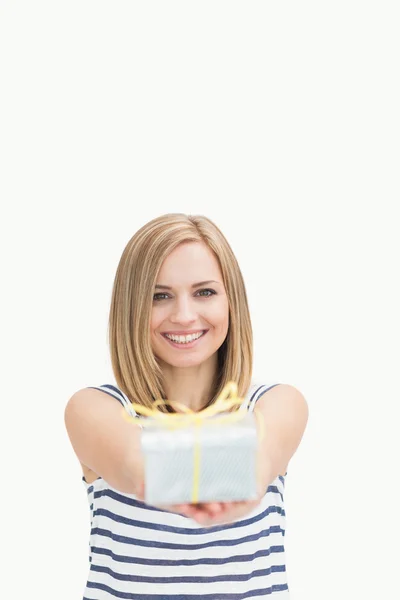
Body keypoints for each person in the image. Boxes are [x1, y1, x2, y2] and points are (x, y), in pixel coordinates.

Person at [64, 212, 309, 599]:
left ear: (233, 302)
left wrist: (244, 475)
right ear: (132, 309)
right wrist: (228, 480)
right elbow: (137, 464)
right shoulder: (95, 408)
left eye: (205, 292)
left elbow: (260, 458)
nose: (183, 315)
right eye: (159, 296)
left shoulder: (278, 403)